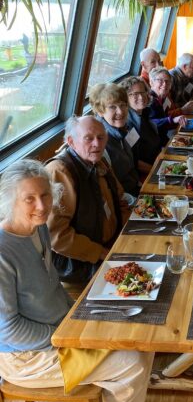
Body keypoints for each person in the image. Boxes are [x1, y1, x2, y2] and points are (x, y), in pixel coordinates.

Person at [0, 159, 154, 402]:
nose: (41, 206)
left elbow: (51, 287)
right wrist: (66, 336)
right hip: (26, 358)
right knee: (132, 363)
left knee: (139, 338)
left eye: (46, 195)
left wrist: (77, 317)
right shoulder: (3, 252)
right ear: (10, 201)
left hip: (62, 330)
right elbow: (8, 331)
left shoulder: (38, 230)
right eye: (29, 199)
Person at [46, 116, 130, 283]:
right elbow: (57, 236)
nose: (97, 144)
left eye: (101, 137)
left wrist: (129, 231)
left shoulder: (99, 161)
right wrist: (101, 253)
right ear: (71, 141)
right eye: (88, 138)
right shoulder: (60, 172)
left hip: (113, 244)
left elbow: (120, 199)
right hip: (82, 263)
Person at [89, 83, 140, 197]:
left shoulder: (122, 129)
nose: (120, 112)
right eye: (112, 107)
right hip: (125, 200)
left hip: (136, 188)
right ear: (100, 111)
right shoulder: (100, 142)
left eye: (123, 105)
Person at [119, 76, 163, 174]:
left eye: (143, 92)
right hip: (146, 173)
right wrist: (157, 171)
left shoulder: (145, 114)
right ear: (125, 98)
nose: (141, 97)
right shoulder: (127, 124)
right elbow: (134, 161)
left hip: (158, 162)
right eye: (135, 94)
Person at [148, 67, 191, 141]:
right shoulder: (150, 101)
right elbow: (151, 123)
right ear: (151, 82)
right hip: (156, 142)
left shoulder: (163, 98)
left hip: (164, 137)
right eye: (160, 80)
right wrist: (172, 119)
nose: (165, 84)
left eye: (167, 81)